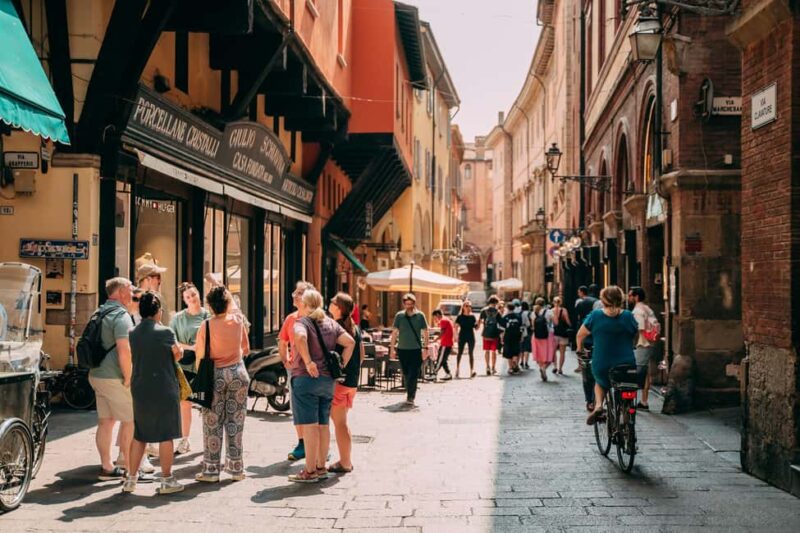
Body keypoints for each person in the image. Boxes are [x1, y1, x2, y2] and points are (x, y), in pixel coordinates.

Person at [288, 290, 355, 483]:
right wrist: (341, 364)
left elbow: (300, 338)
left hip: (306, 379)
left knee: (309, 426)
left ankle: (309, 471)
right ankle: (320, 468)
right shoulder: (331, 323)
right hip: (327, 382)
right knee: (323, 425)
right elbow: (350, 342)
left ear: (305, 304)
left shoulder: (302, 322)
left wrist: (308, 361)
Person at [123, 292, 185, 495]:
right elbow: (178, 354)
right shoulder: (165, 332)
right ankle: (166, 480)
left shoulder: (133, 332)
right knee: (166, 434)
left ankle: (131, 479)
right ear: (158, 311)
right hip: (164, 386)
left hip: (141, 387)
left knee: (140, 434)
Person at [193, 286, 250, 482]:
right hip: (238, 373)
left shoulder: (206, 325)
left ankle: (211, 471)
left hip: (215, 375)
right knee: (236, 422)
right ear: (227, 303)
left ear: (209, 306)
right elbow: (246, 348)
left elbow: (200, 355)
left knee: (212, 422)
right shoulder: (238, 320)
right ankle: (236, 469)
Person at [87, 277, 135, 481]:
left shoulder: (98, 312)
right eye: (130, 290)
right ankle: (129, 469)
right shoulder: (121, 316)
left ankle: (107, 467)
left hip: (96, 374)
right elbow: (125, 350)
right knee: (131, 420)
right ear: (121, 291)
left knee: (105, 421)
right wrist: (129, 377)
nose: (132, 294)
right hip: (114, 376)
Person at [576, 286, 638, 425]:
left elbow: (580, 335)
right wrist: (632, 344)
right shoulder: (628, 316)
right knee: (626, 383)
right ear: (621, 299)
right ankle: (626, 413)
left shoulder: (596, 315)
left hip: (602, 362)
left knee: (600, 382)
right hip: (625, 362)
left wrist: (580, 350)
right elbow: (635, 333)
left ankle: (598, 406)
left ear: (603, 300)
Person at [169, 282, 211, 455]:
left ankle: (211, 440)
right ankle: (185, 440)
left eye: (193, 294)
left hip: (205, 365)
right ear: (184, 300)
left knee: (207, 403)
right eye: (188, 297)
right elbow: (172, 341)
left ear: (199, 294)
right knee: (185, 403)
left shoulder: (208, 315)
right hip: (185, 365)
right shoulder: (178, 318)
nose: (192, 298)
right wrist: (191, 347)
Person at [328, 292, 364, 474]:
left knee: (340, 423)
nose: (330, 303)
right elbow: (362, 355)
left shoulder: (336, 327)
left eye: (333, 302)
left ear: (339, 308)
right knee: (342, 422)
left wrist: (339, 371)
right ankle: (345, 460)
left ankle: (345, 462)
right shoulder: (355, 328)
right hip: (352, 382)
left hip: (340, 384)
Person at [279, 281, 315, 461]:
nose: (294, 294)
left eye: (299, 293)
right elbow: (282, 341)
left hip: (314, 369)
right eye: (295, 291)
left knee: (316, 407)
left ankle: (317, 445)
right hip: (295, 370)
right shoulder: (290, 318)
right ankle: (302, 443)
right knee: (297, 408)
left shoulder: (317, 318)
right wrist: (285, 359)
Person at [388, 293, 429, 406]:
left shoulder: (420, 316)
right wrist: (392, 349)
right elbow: (394, 333)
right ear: (404, 304)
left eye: (410, 304)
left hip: (416, 349)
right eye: (407, 304)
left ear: (414, 303)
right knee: (406, 373)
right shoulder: (399, 316)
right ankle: (409, 392)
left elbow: (426, 332)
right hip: (402, 349)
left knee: (414, 373)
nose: (409, 306)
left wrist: (426, 348)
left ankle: (411, 396)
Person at [629, 287, 658, 410]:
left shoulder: (637, 310)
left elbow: (639, 328)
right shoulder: (647, 308)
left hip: (643, 343)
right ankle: (644, 401)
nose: (629, 298)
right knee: (644, 372)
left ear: (636, 297)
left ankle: (632, 399)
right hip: (650, 342)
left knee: (637, 371)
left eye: (630, 295)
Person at [573, 286, 599, 373]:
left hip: (583, 325)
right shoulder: (596, 301)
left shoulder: (579, 302)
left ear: (582, 292)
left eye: (578, 292)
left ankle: (581, 365)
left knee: (581, 345)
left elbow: (577, 315)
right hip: (594, 326)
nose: (578, 294)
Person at [531, 297, 555, 381]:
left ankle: (541, 367)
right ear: (544, 303)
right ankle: (544, 368)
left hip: (536, 336)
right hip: (547, 335)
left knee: (539, 355)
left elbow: (533, 326)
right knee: (550, 354)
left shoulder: (533, 313)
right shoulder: (549, 312)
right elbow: (555, 322)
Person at [454, 300, 478, 378]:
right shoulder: (460, 317)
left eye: (469, 306)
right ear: (463, 307)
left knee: (471, 353)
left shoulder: (472, 317)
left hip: (471, 336)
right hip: (462, 336)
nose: (468, 307)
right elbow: (456, 327)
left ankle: (472, 371)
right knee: (460, 353)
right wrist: (456, 336)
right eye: (466, 306)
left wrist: (479, 323)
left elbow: (476, 328)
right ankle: (457, 369)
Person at [478, 296, 501, 375]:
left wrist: (478, 326)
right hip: (494, 334)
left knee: (487, 351)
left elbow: (479, 321)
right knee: (494, 352)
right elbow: (501, 322)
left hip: (486, 334)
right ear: (496, 303)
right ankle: (493, 368)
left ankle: (487, 367)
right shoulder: (497, 312)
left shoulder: (483, 311)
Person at [499, 302, 523, 375]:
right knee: (515, 350)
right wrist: (521, 336)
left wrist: (502, 338)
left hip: (508, 335)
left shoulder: (505, 317)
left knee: (508, 352)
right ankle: (515, 361)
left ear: (507, 308)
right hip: (516, 335)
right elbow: (521, 328)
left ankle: (510, 368)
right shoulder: (518, 316)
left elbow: (502, 329)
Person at [551, 296, 572, 375]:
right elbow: (568, 321)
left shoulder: (551, 311)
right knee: (562, 353)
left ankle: (555, 367)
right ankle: (560, 369)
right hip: (563, 334)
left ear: (553, 302)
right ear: (560, 302)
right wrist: (570, 326)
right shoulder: (564, 310)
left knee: (553, 352)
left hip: (554, 334)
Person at [431, 309, 453, 380]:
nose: (435, 319)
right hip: (446, 343)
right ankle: (448, 373)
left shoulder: (443, 320)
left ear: (437, 315)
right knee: (443, 360)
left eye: (434, 317)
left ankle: (434, 374)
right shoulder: (446, 319)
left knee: (440, 360)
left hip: (446, 344)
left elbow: (442, 332)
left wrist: (435, 339)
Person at [519, 301, 532, 369]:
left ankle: (521, 361)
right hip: (528, 332)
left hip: (520, 331)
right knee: (527, 348)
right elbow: (530, 324)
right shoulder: (530, 313)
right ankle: (526, 362)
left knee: (521, 347)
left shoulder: (520, 313)